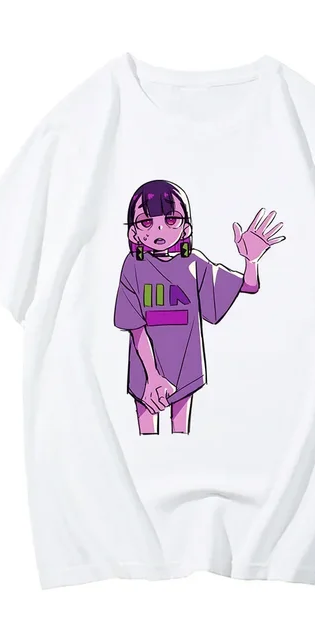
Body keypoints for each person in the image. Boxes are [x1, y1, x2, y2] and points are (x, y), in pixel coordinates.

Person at [114, 179, 286, 435]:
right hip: (145, 369)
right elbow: (135, 326)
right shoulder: (133, 266)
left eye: (170, 220)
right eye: (147, 222)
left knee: (181, 432)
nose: (159, 229)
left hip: (185, 369)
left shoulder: (194, 264)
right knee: (146, 433)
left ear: (186, 228)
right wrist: (152, 375)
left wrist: (251, 261)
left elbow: (248, 286)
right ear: (133, 233)